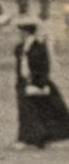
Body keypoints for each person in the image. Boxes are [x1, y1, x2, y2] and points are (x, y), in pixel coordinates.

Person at [13, 16, 69, 150]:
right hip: (24, 84)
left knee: (40, 112)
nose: (19, 33)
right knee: (26, 111)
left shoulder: (39, 47)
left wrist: (39, 84)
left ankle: (31, 139)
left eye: (21, 31)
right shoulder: (20, 47)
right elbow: (20, 67)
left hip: (38, 84)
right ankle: (30, 139)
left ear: (26, 32)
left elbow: (44, 67)